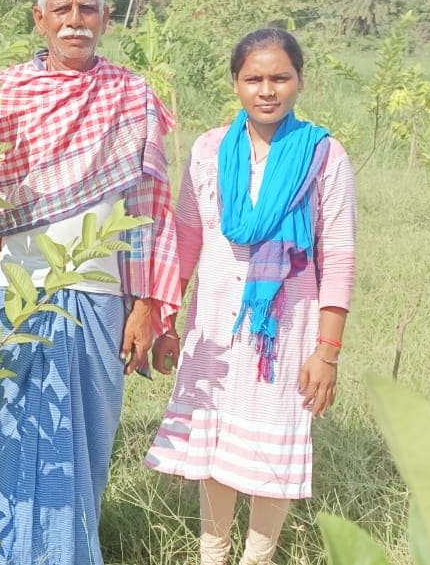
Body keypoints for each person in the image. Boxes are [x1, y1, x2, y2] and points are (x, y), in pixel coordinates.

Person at [0, 0, 182, 565]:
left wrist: (145, 308)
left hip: (102, 299)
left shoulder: (131, 96)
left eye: (87, 8)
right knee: (17, 433)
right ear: (39, 19)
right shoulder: (8, 93)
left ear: (106, 18)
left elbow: (149, 210)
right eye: (62, 8)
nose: (75, 20)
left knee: (85, 441)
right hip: (21, 294)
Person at [144, 28, 358, 565]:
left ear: (300, 82)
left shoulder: (323, 156)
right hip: (215, 323)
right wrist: (166, 322)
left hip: (285, 330)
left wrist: (328, 352)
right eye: (253, 78)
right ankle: (212, 555)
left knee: (270, 447)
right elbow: (186, 239)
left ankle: (257, 558)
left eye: (280, 77)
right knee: (215, 443)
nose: (267, 90)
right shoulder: (209, 150)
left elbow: (338, 259)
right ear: (235, 83)